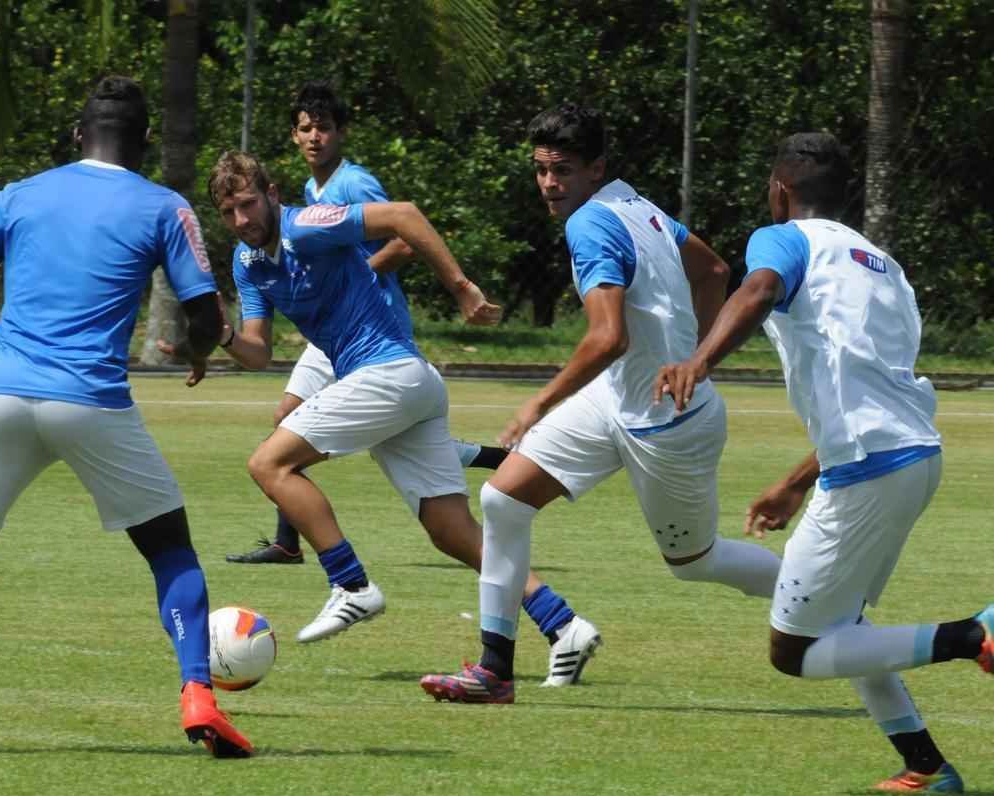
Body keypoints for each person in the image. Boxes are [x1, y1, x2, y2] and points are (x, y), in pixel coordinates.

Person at [0, 76, 253, 759]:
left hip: (3, 395)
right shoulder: (164, 205)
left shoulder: (19, 194)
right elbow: (206, 314)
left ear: (76, 136)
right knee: (169, 549)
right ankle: (197, 692)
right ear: (145, 142)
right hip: (91, 402)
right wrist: (196, 350)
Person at [653, 132, 991, 793]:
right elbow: (866, 381)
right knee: (845, 624)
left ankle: (971, 633)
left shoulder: (784, 240)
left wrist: (698, 359)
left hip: (874, 466)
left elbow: (757, 288)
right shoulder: (882, 264)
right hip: (910, 454)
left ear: (780, 191)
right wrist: (793, 481)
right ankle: (925, 765)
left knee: (795, 651)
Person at [420, 103, 782, 704]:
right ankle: (493, 672)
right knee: (502, 499)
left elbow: (607, 337)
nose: (549, 183)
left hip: (665, 424)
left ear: (596, 170)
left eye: (562, 170)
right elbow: (713, 269)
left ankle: (822, 593)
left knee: (695, 562)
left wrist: (537, 402)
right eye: (540, 169)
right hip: (615, 402)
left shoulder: (591, 223)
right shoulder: (633, 203)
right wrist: (690, 352)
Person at [199, 150, 601, 688]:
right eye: (229, 212)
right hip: (408, 387)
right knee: (451, 532)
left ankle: (351, 585)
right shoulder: (247, 264)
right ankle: (563, 624)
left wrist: (461, 288)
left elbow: (405, 216)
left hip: (387, 375)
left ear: (272, 195)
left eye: (249, 204)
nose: (242, 220)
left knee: (270, 464)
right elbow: (258, 354)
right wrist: (222, 335)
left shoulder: (306, 225)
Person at [226, 80, 506, 567]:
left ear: (342, 133)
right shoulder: (305, 196)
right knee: (291, 424)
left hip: (371, 330)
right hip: (337, 335)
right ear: (294, 136)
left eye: (324, 129)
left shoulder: (351, 183)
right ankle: (289, 541)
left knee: (286, 445)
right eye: (305, 129)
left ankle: (342, 574)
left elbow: (401, 235)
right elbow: (258, 345)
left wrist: (345, 283)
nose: (315, 138)